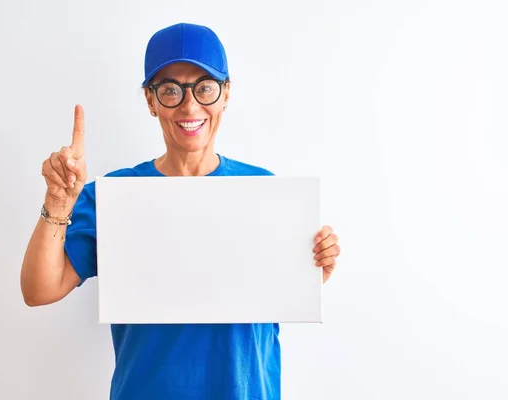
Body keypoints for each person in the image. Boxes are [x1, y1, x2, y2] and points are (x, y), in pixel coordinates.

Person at [21, 22, 341, 400]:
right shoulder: (114, 196)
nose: (190, 106)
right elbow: (39, 290)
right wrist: (58, 203)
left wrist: (307, 271)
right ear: (150, 101)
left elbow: (272, 292)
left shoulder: (266, 191)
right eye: (171, 90)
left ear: (226, 95)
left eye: (204, 88)